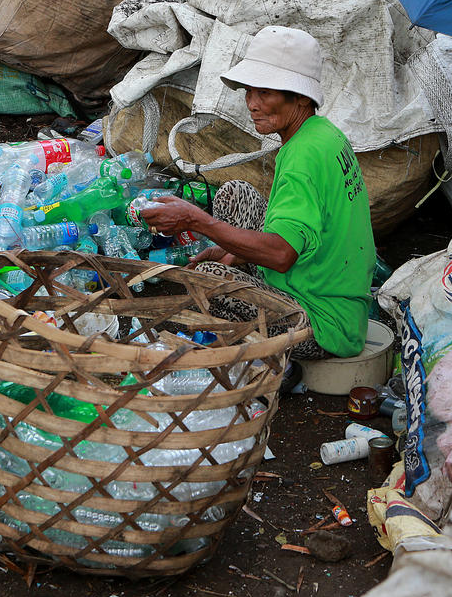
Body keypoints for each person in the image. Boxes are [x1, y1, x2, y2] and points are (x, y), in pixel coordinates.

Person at [140, 25, 376, 372]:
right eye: (250, 91)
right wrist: (234, 247)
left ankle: (268, 358)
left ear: (301, 97)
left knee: (209, 278)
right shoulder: (323, 134)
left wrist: (197, 221)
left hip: (322, 323)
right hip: (336, 294)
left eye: (265, 92)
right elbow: (308, 228)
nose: (252, 103)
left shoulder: (302, 158)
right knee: (236, 194)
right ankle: (249, 272)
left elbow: (281, 254)